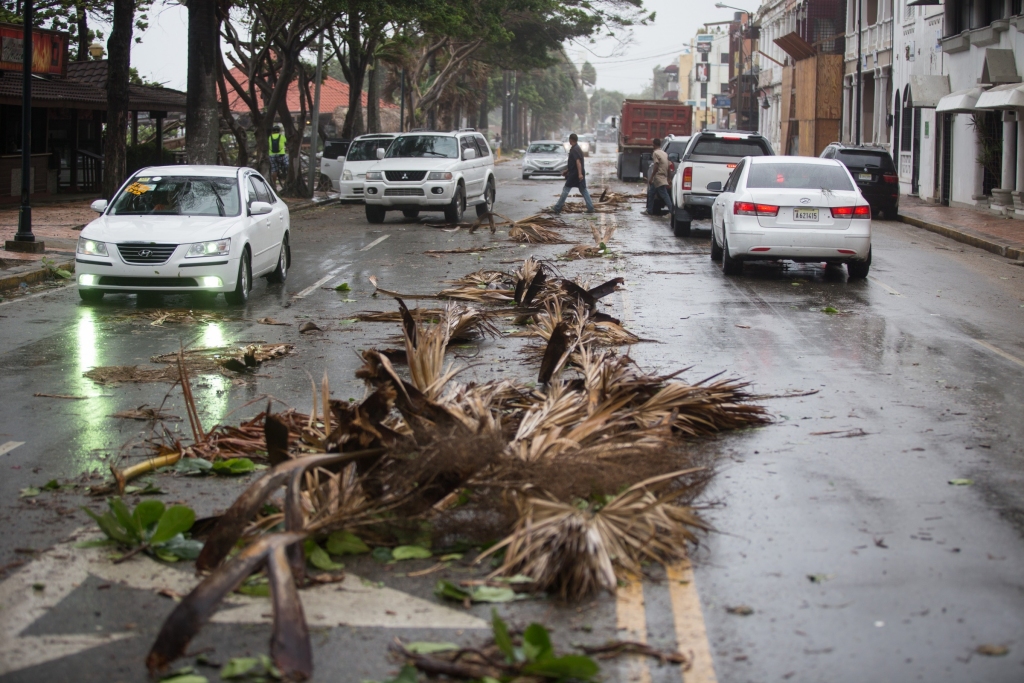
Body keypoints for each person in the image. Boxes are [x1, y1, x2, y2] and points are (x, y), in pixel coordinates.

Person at [550, 133, 595, 214]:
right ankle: (590, 207)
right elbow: (573, 163)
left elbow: (578, 162)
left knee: (566, 190)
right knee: (583, 190)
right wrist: (567, 171)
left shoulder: (575, 149)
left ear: (570, 140)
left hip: (575, 174)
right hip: (576, 173)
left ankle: (557, 208)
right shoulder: (576, 148)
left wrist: (579, 174)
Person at [646, 138, 672, 216]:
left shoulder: (655, 153)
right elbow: (669, 167)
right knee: (651, 192)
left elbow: (656, 166)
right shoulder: (665, 153)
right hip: (663, 176)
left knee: (664, 194)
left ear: (654, 144)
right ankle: (649, 210)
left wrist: (651, 177)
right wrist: (669, 178)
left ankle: (672, 211)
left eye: (652, 144)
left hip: (658, 177)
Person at [268, 124, 288, 189]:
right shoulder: (282, 137)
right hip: (281, 154)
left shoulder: (269, 137)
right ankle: (286, 178)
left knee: (274, 170)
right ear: (279, 131)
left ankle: (274, 185)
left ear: (272, 131)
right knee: (287, 165)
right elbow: (286, 142)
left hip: (272, 155)